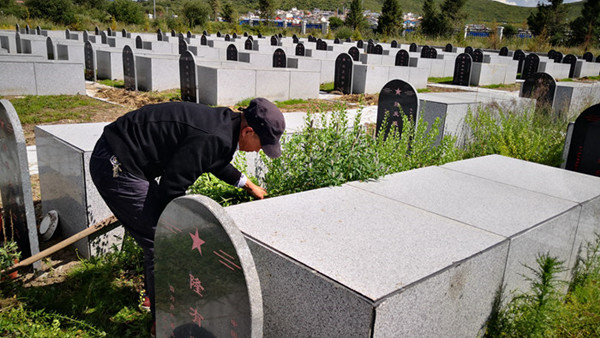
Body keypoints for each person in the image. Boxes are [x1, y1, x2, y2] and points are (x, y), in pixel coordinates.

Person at [89, 97, 285, 327]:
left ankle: (155, 297)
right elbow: (171, 187)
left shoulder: (225, 125)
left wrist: (248, 185)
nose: (260, 150)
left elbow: (214, 160)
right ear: (249, 131)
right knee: (159, 240)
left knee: (159, 233)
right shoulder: (214, 136)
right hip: (116, 163)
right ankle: (162, 322)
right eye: (262, 144)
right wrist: (187, 229)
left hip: (126, 155)